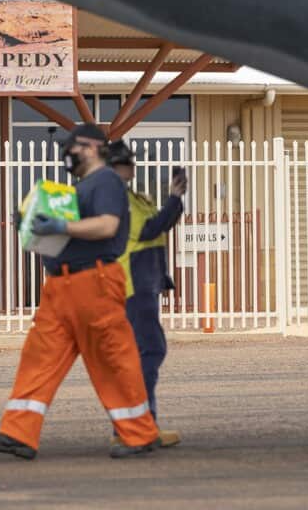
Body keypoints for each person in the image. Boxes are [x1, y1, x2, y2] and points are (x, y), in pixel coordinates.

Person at [0, 123, 160, 460]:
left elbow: (108, 225)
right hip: (62, 287)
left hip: (95, 284)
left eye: (71, 146)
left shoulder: (106, 181)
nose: (66, 152)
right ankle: (18, 434)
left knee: (112, 360)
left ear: (90, 147)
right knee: (39, 358)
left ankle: (140, 435)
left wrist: (61, 226)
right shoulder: (82, 186)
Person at [108, 140, 186, 448]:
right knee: (149, 352)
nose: (133, 166)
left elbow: (161, 224)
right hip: (134, 284)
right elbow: (150, 229)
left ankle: (139, 425)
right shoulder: (118, 200)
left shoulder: (133, 197)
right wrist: (174, 198)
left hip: (145, 282)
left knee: (140, 355)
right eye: (126, 161)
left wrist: (174, 202)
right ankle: (137, 426)